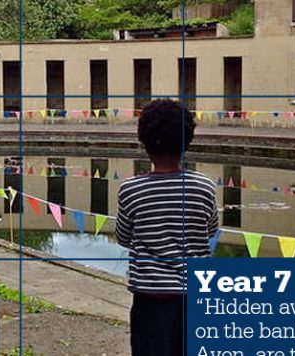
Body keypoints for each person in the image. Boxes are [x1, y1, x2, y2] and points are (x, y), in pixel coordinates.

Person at [115, 99, 217, 356]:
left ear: (143, 141)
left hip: (150, 301)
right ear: (188, 141)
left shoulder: (130, 189)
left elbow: (124, 237)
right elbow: (211, 230)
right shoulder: (204, 186)